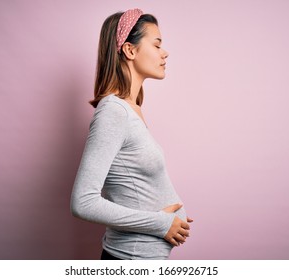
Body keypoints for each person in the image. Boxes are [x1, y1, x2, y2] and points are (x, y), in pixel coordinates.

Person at [70, 8, 193, 260]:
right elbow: (83, 202)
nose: (165, 52)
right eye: (157, 44)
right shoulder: (113, 112)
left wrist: (170, 219)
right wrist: (160, 222)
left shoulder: (130, 109)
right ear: (130, 50)